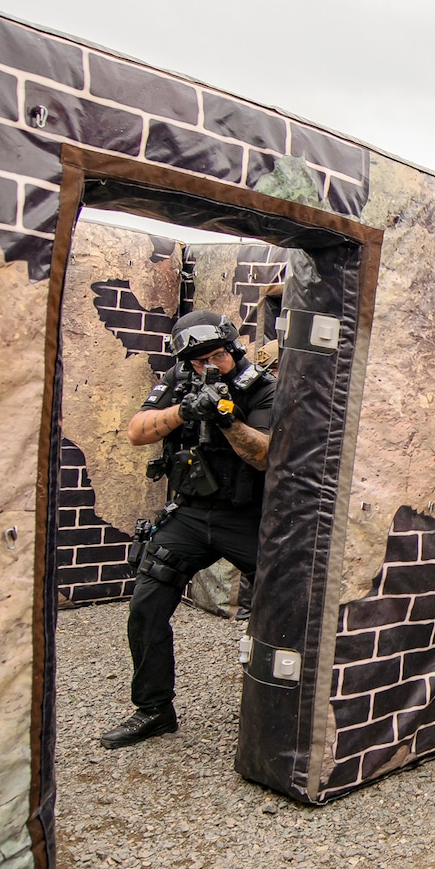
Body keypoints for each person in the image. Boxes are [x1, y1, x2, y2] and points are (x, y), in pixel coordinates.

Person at [98, 311, 276, 749]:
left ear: (232, 348)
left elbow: (264, 457)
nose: (211, 364)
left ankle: (283, 704)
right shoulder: (179, 381)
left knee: (287, 603)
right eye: (200, 360)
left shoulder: (263, 387)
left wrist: (225, 419)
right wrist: (185, 409)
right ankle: (154, 709)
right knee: (146, 607)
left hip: (246, 517)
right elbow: (137, 432)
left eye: (218, 355)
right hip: (190, 514)